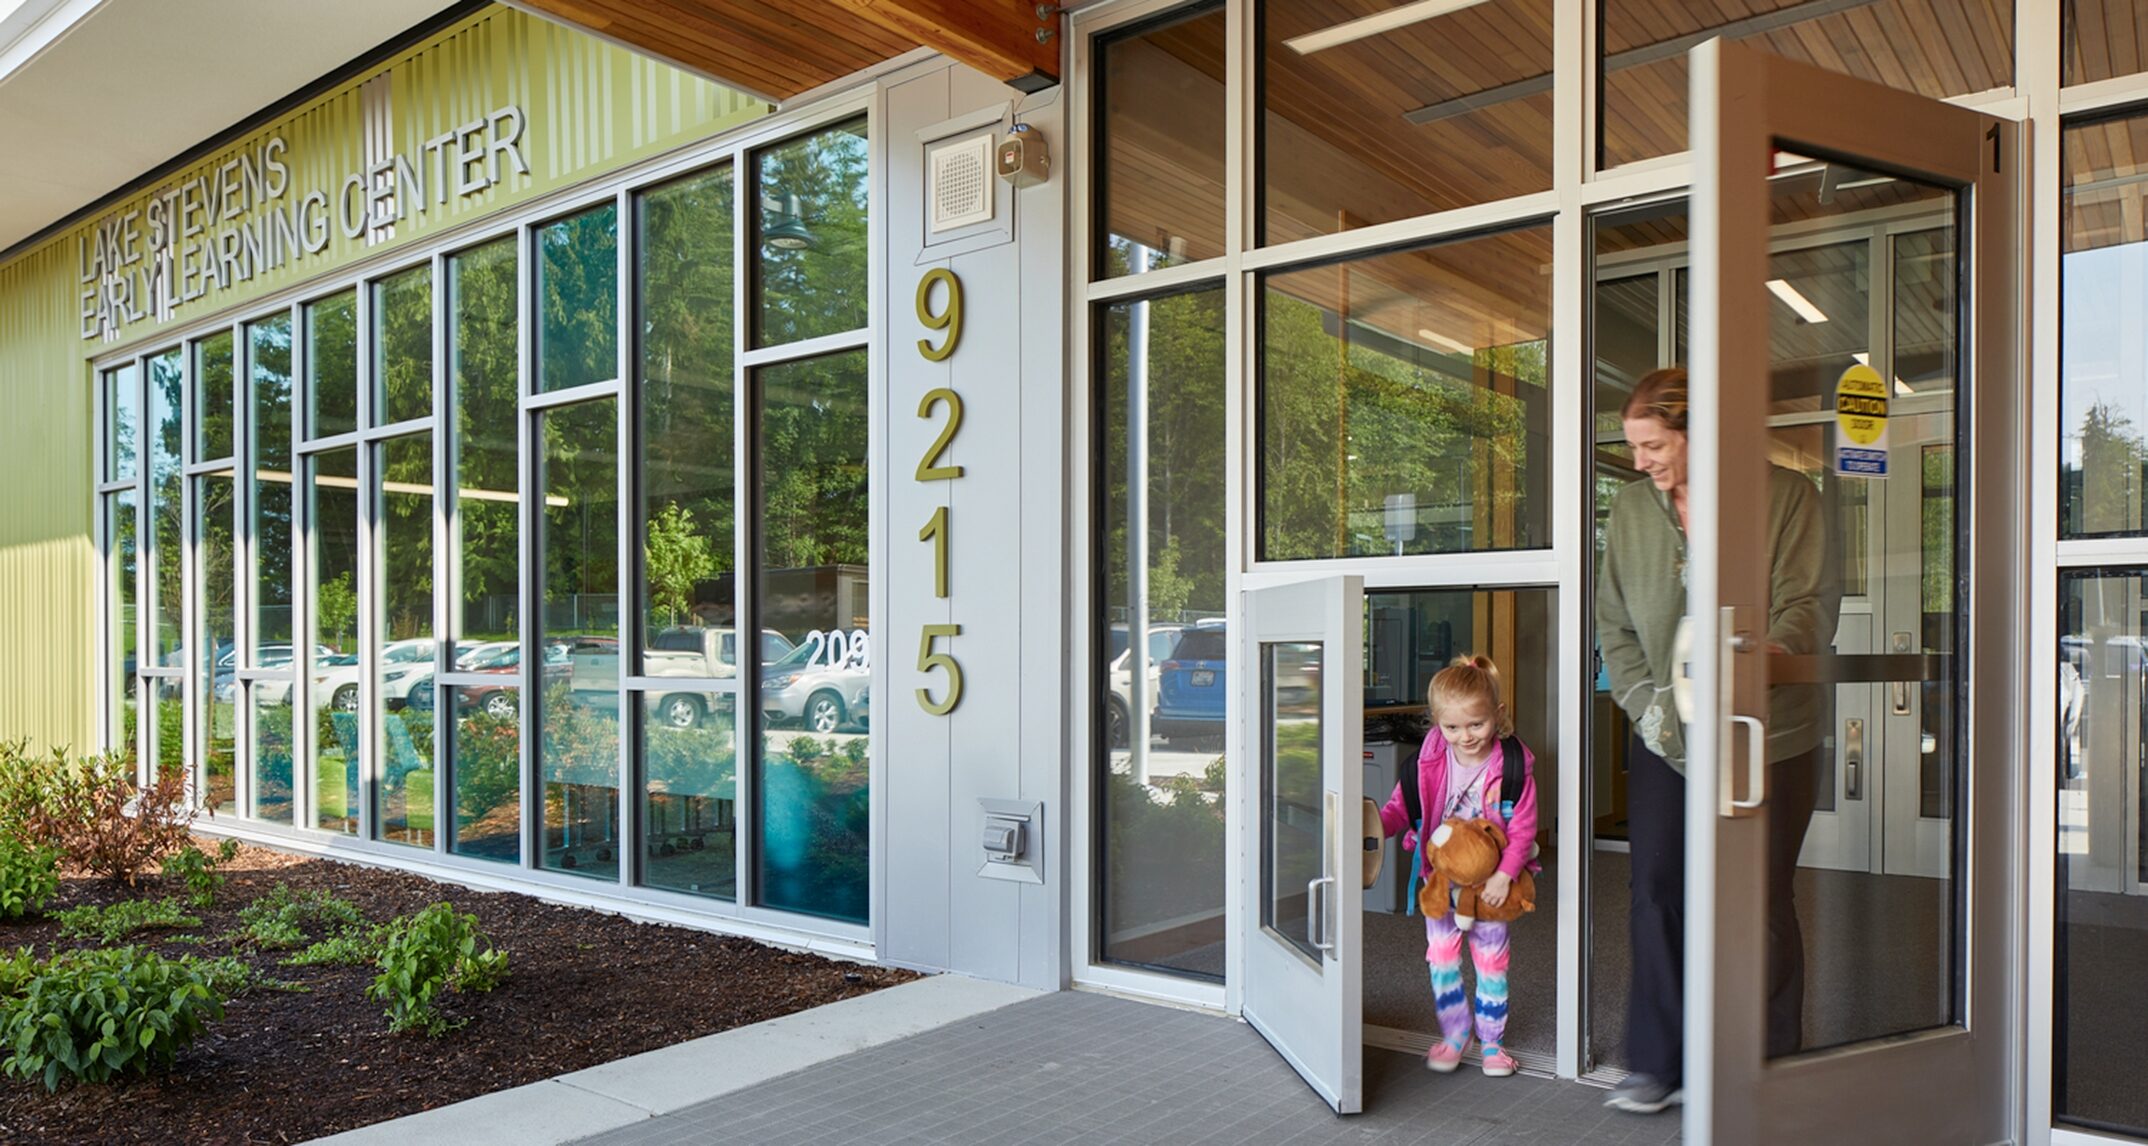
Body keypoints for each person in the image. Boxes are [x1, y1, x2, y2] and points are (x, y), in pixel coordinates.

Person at [1595, 367, 1840, 1114]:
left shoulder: (1789, 497)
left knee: (1757, 898)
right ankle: (1658, 1063)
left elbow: (1809, 602)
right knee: (1658, 889)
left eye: (1652, 444)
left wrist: (1765, 660)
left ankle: (1763, 1063)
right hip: (1665, 734)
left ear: (1696, 433)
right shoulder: (1632, 511)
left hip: (1767, 734)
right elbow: (1617, 626)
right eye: (1635, 446)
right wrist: (1654, 711)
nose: (1639, 461)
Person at [1376, 655, 1541, 1079]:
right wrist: (1373, 829)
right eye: (1452, 727)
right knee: (1442, 959)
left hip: (1490, 888)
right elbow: (1401, 809)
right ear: (1436, 723)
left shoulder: (1513, 769)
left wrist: (1504, 875)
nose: (1465, 737)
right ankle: (1455, 1034)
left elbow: (1523, 830)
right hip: (1439, 883)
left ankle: (1491, 1043)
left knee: (1491, 962)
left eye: (1476, 725)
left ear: (1498, 716)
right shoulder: (1426, 766)